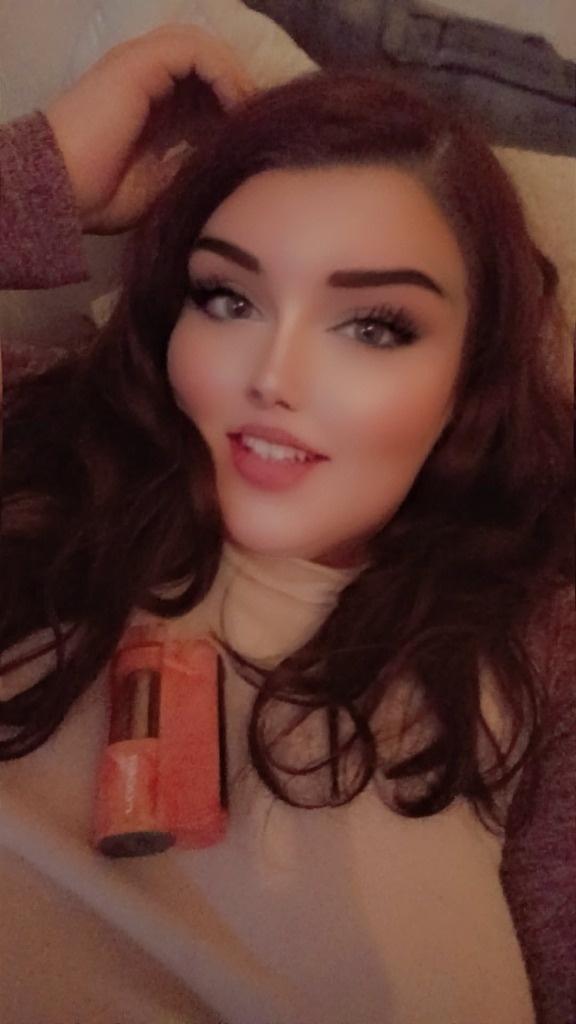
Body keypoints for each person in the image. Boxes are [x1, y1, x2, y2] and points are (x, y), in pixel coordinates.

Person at [0, 23, 574, 1024]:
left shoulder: (543, 651)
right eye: (227, 298)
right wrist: (42, 170)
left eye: (375, 325)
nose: (273, 375)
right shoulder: (40, 452)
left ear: (473, 378)